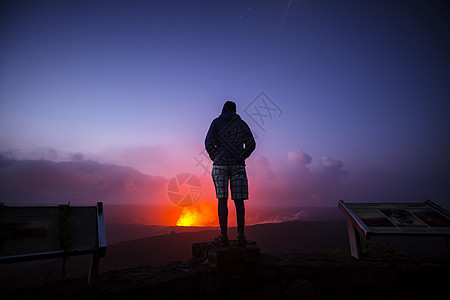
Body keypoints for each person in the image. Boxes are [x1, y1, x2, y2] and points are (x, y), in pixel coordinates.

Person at [205, 101, 256, 246]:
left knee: (222, 199)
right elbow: (251, 143)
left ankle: (224, 236)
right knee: (239, 201)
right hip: (238, 165)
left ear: (223, 109)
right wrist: (242, 156)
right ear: (234, 110)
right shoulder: (241, 124)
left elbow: (208, 142)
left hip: (220, 165)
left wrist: (216, 156)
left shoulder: (216, 122)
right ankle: (241, 236)